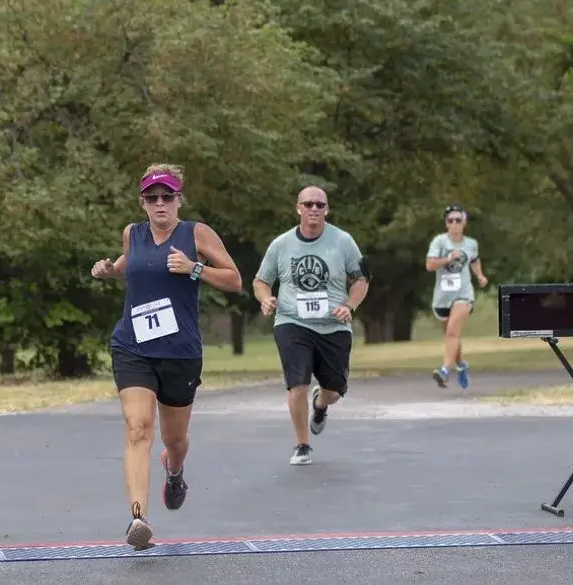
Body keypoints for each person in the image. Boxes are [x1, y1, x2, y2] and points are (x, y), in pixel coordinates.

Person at [90, 163, 242, 550]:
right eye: (152, 197)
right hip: (132, 346)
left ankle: (174, 472)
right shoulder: (133, 234)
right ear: (143, 203)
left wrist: (195, 269)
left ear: (179, 199)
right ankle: (138, 519)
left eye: (167, 196)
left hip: (179, 353)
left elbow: (235, 280)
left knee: (174, 440)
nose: (160, 203)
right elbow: (128, 266)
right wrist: (108, 270)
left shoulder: (196, 233)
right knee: (139, 427)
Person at [252, 186, 370, 466]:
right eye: (308, 204)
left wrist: (349, 306)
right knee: (297, 383)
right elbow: (261, 281)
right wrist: (266, 299)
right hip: (292, 321)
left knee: (334, 391)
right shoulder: (281, 245)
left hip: (333, 324)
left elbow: (361, 278)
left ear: (326, 210)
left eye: (319, 205)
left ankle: (321, 404)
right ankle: (302, 444)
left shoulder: (343, 241)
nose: (314, 209)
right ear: (298, 208)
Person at [425, 204, 488, 390]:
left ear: (464, 222)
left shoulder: (471, 244)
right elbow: (429, 265)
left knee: (453, 331)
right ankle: (461, 365)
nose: (454, 223)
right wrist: (448, 259)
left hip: (464, 294)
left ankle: (444, 370)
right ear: (446, 223)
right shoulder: (439, 242)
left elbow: (474, 260)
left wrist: (480, 276)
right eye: (450, 220)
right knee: (452, 336)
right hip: (442, 297)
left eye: (457, 220)